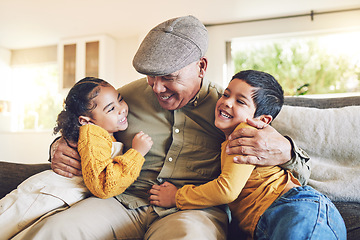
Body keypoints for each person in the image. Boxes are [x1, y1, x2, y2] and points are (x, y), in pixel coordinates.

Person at [18, 16, 310, 240]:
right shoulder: (124, 98)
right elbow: (83, 124)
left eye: (169, 77)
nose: (157, 88)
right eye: (150, 76)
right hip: (121, 202)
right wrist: (58, 146)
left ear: (201, 67)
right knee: (56, 230)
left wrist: (287, 151)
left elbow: (296, 168)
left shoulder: (230, 111)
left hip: (192, 212)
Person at [149, 70, 346, 239]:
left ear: (262, 120)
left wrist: (177, 197)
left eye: (240, 101)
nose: (227, 103)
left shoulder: (244, 135)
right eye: (226, 95)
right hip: (271, 220)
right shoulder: (229, 139)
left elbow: (226, 190)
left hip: (295, 208)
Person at [0, 77, 152, 239]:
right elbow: (103, 185)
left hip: (59, 197)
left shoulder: (105, 135)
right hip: (45, 195)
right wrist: (137, 153)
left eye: (120, 100)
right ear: (86, 121)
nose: (121, 109)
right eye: (111, 109)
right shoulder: (93, 135)